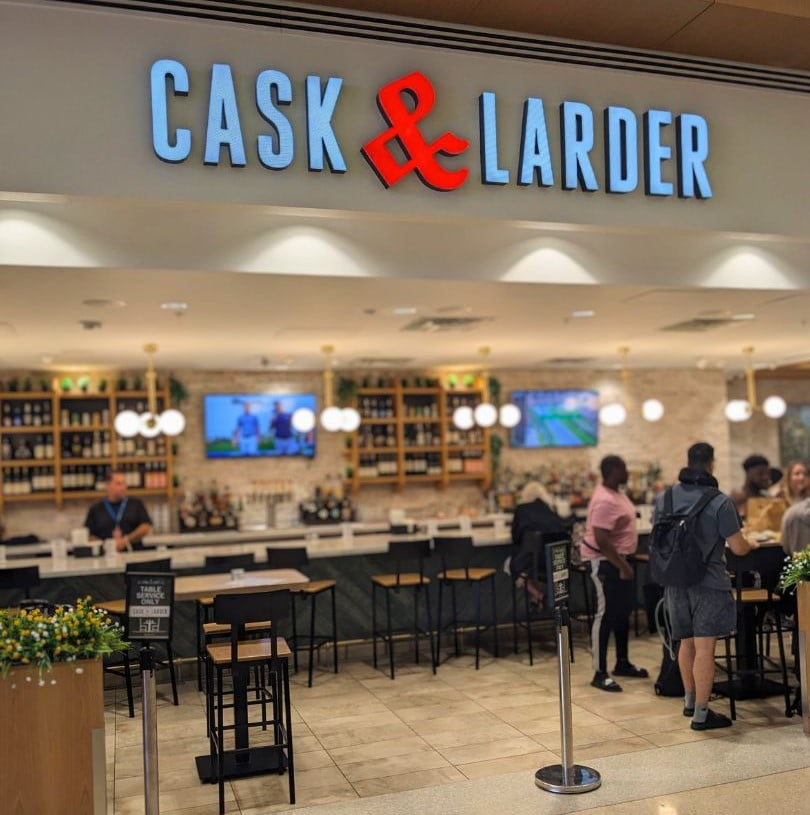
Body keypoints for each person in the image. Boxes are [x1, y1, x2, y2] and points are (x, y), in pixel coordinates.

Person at [656, 442, 755, 730]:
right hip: (709, 583)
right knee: (705, 647)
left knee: (685, 641)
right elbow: (738, 548)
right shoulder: (720, 501)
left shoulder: (665, 498)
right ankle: (702, 714)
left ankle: (689, 701)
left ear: (687, 462)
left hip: (674, 583)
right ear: (711, 464)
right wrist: (752, 544)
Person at [582, 455, 647, 692]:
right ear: (614, 471)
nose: (628, 473)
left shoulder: (616, 494)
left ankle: (622, 662)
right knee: (605, 615)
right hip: (605, 563)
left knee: (622, 613)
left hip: (619, 561)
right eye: (625, 469)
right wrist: (622, 566)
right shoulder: (604, 500)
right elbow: (601, 538)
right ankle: (600, 672)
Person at [505, 481, 566, 606]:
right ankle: (537, 596)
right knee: (532, 568)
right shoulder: (550, 509)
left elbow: (515, 537)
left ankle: (538, 595)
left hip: (529, 562)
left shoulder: (521, 509)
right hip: (556, 563)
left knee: (512, 565)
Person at [85, 471, 152, 552]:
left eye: (124, 483)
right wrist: (105, 544)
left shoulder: (136, 504)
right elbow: (88, 534)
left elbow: (145, 527)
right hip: (105, 556)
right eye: (118, 484)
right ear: (108, 485)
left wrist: (126, 540)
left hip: (133, 553)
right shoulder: (96, 508)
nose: (123, 487)